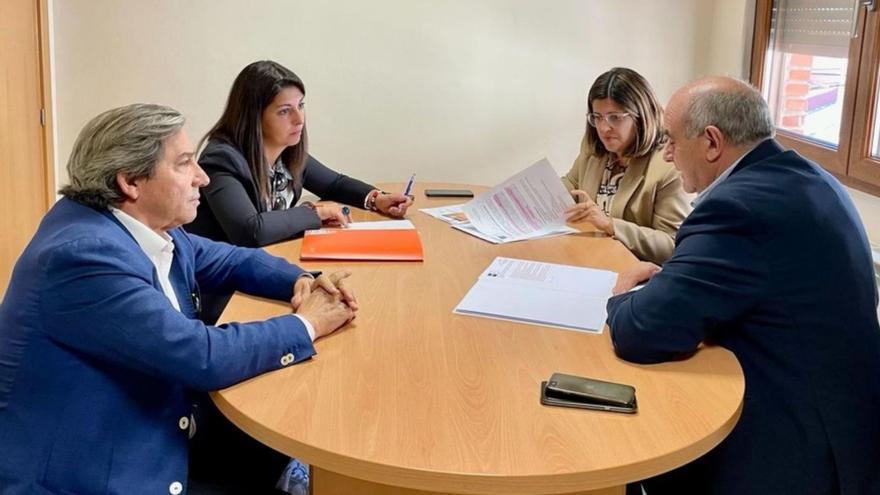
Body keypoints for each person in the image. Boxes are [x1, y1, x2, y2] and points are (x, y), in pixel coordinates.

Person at [0, 104, 358, 494]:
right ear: (131, 181)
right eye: (185, 163)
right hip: (98, 468)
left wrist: (303, 279)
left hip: (148, 414)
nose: (202, 177)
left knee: (288, 435)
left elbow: (230, 259)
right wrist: (308, 323)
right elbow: (202, 356)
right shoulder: (84, 256)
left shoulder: (135, 223)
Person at [606, 77, 880, 494]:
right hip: (846, 419)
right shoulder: (806, 176)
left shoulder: (737, 208)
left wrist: (623, 293)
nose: (666, 154)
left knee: (636, 434)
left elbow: (642, 331)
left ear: (712, 142)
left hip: (795, 446)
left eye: (672, 141)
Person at [185, 60, 412, 325]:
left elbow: (334, 184)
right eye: (284, 111)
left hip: (274, 266)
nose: (299, 119)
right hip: (227, 291)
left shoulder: (288, 150)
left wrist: (376, 198)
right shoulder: (222, 159)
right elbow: (250, 231)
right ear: (254, 115)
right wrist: (313, 212)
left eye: (301, 106)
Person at [562, 67, 691, 264]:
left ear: (640, 117)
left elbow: (672, 245)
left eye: (615, 117)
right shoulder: (594, 147)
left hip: (635, 272)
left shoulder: (669, 164)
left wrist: (610, 225)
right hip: (589, 255)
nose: (604, 128)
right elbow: (571, 183)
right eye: (597, 117)